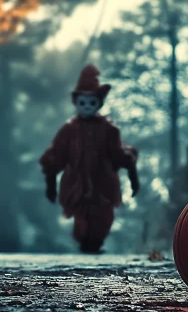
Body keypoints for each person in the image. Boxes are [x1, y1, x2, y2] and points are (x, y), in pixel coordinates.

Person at [40, 64, 139, 253]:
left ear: (99, 104)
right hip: (77, 181)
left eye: (91, 103)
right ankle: (85, 242)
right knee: (81, 213)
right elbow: (56, 155)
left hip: (104, 181)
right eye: (82, 103)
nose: (86, 107)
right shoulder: (69, 129)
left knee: (103, 215)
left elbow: (120, 154)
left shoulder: (109, 129)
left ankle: (97, 242)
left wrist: (133, 175)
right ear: (76, 103)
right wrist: (50, 183)